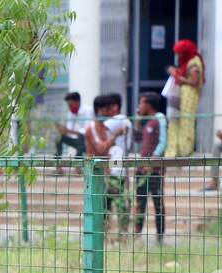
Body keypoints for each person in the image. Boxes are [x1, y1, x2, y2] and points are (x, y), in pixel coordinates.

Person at [85, 94, 130, 233]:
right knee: (102, 207)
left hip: (110, 172)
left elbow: (110, 152)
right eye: (107, 109)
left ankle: (122, 235)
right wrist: (115, 136)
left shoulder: (105, 128)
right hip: (97, 174)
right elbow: (100, 149)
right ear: (99, 110)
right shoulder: (91, 127)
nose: (110, 113)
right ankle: (101, 235)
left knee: (122, 203)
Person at [133, 92, 166, 243]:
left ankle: (160, 237)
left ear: (148, 104)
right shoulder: (146, 122)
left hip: (154, 170)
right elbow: (137, 138)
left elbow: (163, 142)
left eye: (141, 103)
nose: (139, 106)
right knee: (140, 203)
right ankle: (137, 235)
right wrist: (138, 120)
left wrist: (152, 161)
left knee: (158, 203)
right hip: (141, 169)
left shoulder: (159, 118)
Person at [164, 39, 204, 157]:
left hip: (189, 96)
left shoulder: (193, 63)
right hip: (181, 94)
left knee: (186, 122)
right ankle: (176, 149)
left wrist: (179, 78)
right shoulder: (186, 62)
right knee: (176, 120)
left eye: (180, 53)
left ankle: (184, 150)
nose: (179, 56)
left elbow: (194, 81)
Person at [56, 91, 90, 166]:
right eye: (68, 105)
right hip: (77, 141)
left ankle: (77, 164)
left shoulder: (88, 111)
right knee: (58, 137)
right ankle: (57, 163)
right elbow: (69, 129)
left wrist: (69, 131)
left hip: (87, 143)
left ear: (77, 102)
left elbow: (87, 131)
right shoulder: (70, 113)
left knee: (81, 137)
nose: (69, 107)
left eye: (71, 105)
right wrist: (63, 130)